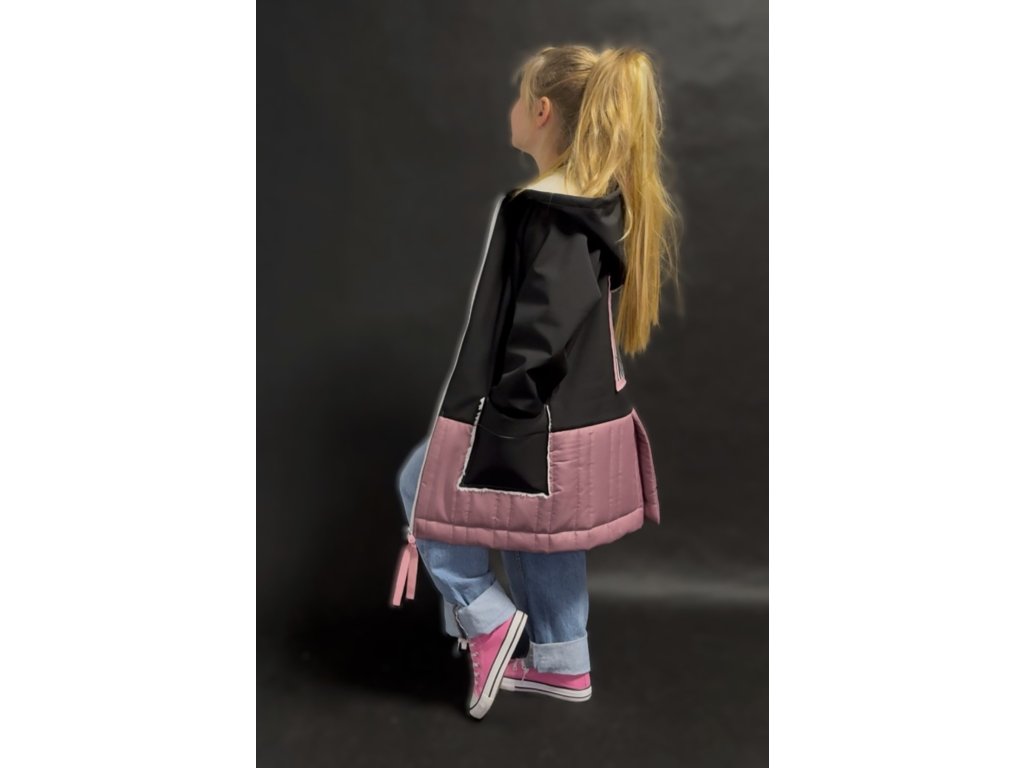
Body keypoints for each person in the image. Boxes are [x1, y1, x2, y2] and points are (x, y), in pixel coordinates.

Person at [390, 44, 683, 721]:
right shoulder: (595, 205)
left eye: (519, 98)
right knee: (545, 528)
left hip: (530, 414)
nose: (512, 111)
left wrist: (503, 417)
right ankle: (560, 660)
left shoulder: (545, 210)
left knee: (419, 484)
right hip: (573, 413)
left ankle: (488, 618)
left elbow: (542, 326)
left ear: (543, 110)